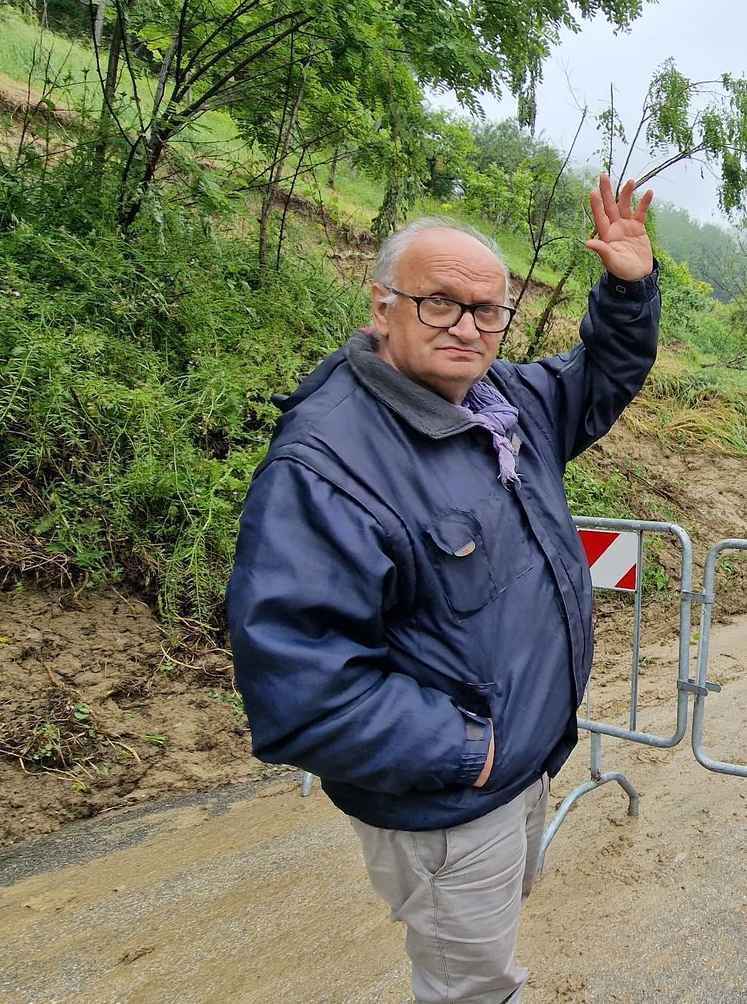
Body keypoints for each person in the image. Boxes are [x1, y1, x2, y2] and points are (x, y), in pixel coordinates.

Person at [225, 175, 657, 1003]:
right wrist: (470, 751)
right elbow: (302, 685)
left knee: (485, 951)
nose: (467, 326)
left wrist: (628, 290)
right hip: (452, 801)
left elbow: (601, 374)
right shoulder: (330, 463)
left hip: (521, 768)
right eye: (441, 303)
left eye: (487, 309)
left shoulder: (502, 404)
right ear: (382, 307)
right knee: (470, 987)